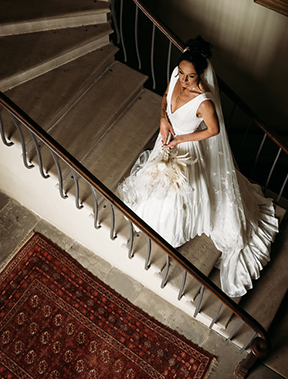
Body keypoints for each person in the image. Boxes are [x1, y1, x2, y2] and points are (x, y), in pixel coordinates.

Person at [116, 37, 278, 298]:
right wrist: (163, 118)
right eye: (181, 73)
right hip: (167, 139)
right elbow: (165, 97)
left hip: (186, 148)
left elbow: (213, 130)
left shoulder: (204, 102)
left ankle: (171, 228)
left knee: (178, 192)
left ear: (201, 74)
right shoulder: (176, 76)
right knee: (154, 180)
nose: (183, 79)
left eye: (190, 76)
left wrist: (181, 138)